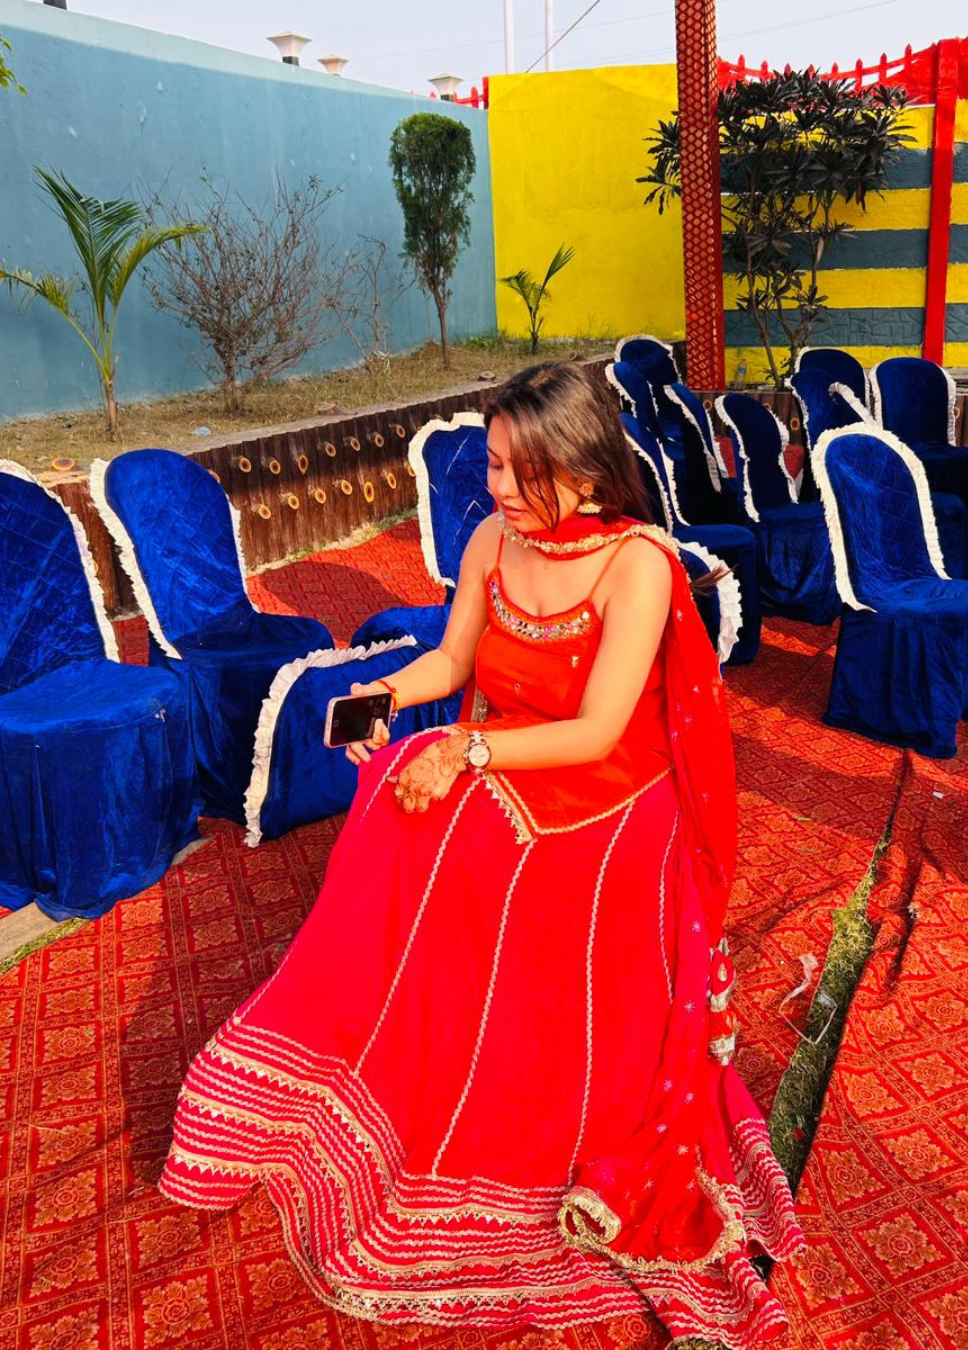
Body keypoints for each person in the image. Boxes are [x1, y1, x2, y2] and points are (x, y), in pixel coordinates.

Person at [159, 363, 802, 1346]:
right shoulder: (495, 539)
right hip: (510, 746)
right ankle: (379, 1033)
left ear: (580, 468)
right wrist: (381, 700)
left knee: (464, 827)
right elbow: (457, 663)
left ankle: (464, 1053)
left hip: (613, 785)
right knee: (392, 787)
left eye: (517, 468)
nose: (494, 485)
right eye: (494, 464)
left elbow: (599, 730)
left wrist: (466, 750)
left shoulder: (637, 564)